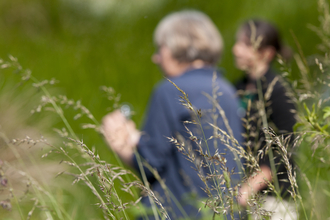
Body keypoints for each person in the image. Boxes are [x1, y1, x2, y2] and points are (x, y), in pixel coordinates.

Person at [102, 10, 243, 219]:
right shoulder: (228, 89)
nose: (156, 57)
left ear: (178, 46)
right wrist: (139, 140)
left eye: (160, 48)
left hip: (177, 212)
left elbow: (150, 165)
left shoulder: (169, 90)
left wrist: (119, 142)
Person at [233, 19, 297, 219]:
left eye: (245, 45)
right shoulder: (238, 87)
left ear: (267, 53)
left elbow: (286, 144)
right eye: (238, 43)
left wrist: (253, 184)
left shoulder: (278, 90)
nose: (236, 49)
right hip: (244, 192)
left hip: (274, 197)